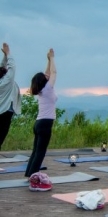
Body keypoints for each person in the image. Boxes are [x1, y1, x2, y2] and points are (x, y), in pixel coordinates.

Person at [25, 48, 57, 179]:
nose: (47, 76)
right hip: (45, 124)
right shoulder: (48, 89)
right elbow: (54, 72)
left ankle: (29, 173)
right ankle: (33, 175)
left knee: (36, 151)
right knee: (40, 152)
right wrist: (53, 58)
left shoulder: (41, 90)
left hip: (39, 123)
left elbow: (48, 72)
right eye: (45, 77)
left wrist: (48, 60)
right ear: (44, 81)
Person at [0, 43, 21, 150]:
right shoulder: (6, 82)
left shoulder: (2, 80)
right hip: (4, 113)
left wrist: (4, 56)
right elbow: (12, 67)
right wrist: (8, 53)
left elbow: (3, 67)